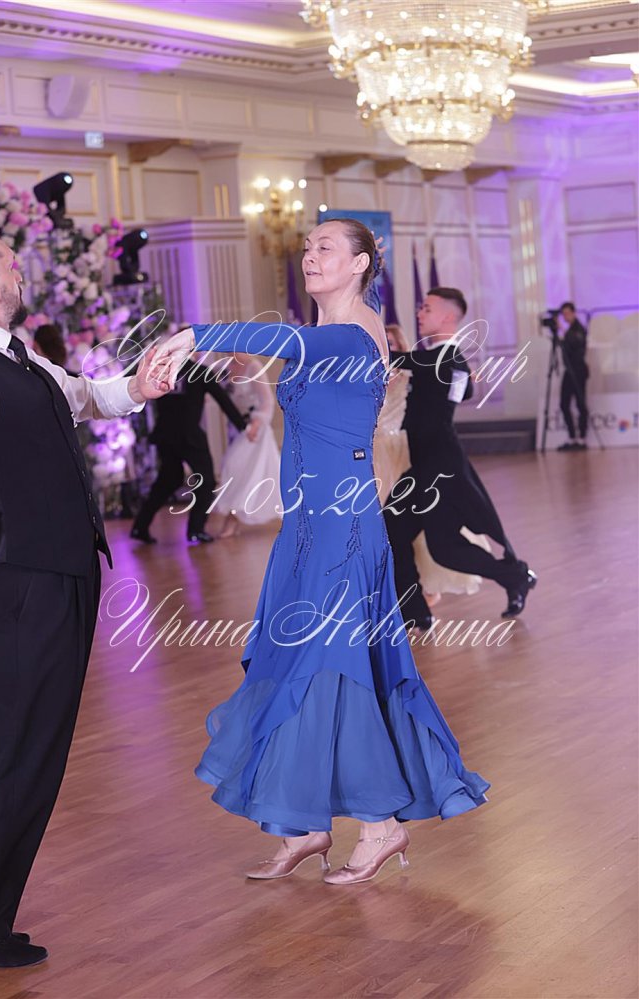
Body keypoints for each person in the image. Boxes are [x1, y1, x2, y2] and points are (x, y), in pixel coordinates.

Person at [156, 219, 489, 887]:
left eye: (325, 247)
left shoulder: (356, 332)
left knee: (337, 668)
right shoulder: (322, 334)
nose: (309, 256)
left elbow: (284, 341)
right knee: (294, 664)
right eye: (306, 247)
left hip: (343, 533)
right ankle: (306, 823)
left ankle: (380, 825)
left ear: (362, 264)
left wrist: (195, 334)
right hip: (305, 532)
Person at [0, 220, 170, 968]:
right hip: (24, 582)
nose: (23, 274)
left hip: (66, 576)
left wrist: (141, 386)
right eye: (13, 264)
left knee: (33, 752)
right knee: (18, 753)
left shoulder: (24, 360)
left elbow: (88, 397)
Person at [384, 288, 537, 631]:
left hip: (440, 468)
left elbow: (412, 362)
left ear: (448, 317)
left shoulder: (446, 359)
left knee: (436, 545)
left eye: (427, 308)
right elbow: (453, 385)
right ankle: (417, 609)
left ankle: (514, 576)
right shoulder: (446, 361)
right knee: (403, 532)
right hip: (429, 464)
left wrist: (371, 347)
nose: (420, 313)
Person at [374, 323, 490, 605]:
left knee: (416, 523)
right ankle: (390, 589)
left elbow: (454, 387)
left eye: (391, 344)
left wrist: (464, 376)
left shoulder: (415, 374)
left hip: (404, 452)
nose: (387, 349)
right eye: (382, 344)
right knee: (380, 526)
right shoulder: (367, 379)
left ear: (401, 347)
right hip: (375, 456)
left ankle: (425, 585)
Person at [130, 351, 248, 544]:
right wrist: (243, 427)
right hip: (190, 437)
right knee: (206, 481)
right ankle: (195, 529)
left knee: (168, 481)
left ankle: (140, 526)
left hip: (166, 435)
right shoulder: (200, 371)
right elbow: (223, 401)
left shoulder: (163, 372)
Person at [216, 352, 281, 538]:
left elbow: (267, 401)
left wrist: (256, 424)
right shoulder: (224, 368)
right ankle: (233, 517)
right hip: (236, 427)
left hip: (254, 429)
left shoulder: (254, 367)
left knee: (237, 467)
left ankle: (232, 518)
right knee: (237, 470)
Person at [557, 302, 589, 452]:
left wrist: (561, 329)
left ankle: (582, 438)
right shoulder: (570, 330)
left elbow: (576, 343)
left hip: (578, 370)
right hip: (568, 371)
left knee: (580, 404)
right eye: (563, 314)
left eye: (568, 313)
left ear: (574, 313)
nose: (565, 316)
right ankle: (571, 436)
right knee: (564, 403)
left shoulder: (579, 329)